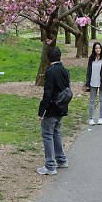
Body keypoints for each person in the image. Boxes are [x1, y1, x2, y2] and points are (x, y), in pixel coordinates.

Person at [37, 46, 70, 175]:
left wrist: (41, 111)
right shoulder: (64, 70)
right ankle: (61, 159)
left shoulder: (50, 71)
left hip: (51, 108)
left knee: (47, 134)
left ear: (48, 57)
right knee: (56, 132)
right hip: (61, 107)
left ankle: (50, 165)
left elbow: (48, 93)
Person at [85, 41, 102, 125]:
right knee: (92, 101)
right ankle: (91, 118)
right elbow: (88, 71)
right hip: (93, 82)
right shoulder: (91, 58)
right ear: (94, 49)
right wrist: (87, 84)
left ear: (101, 49)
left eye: (99, 48)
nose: (98, 49)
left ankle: (100, 118)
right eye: (96, 48)